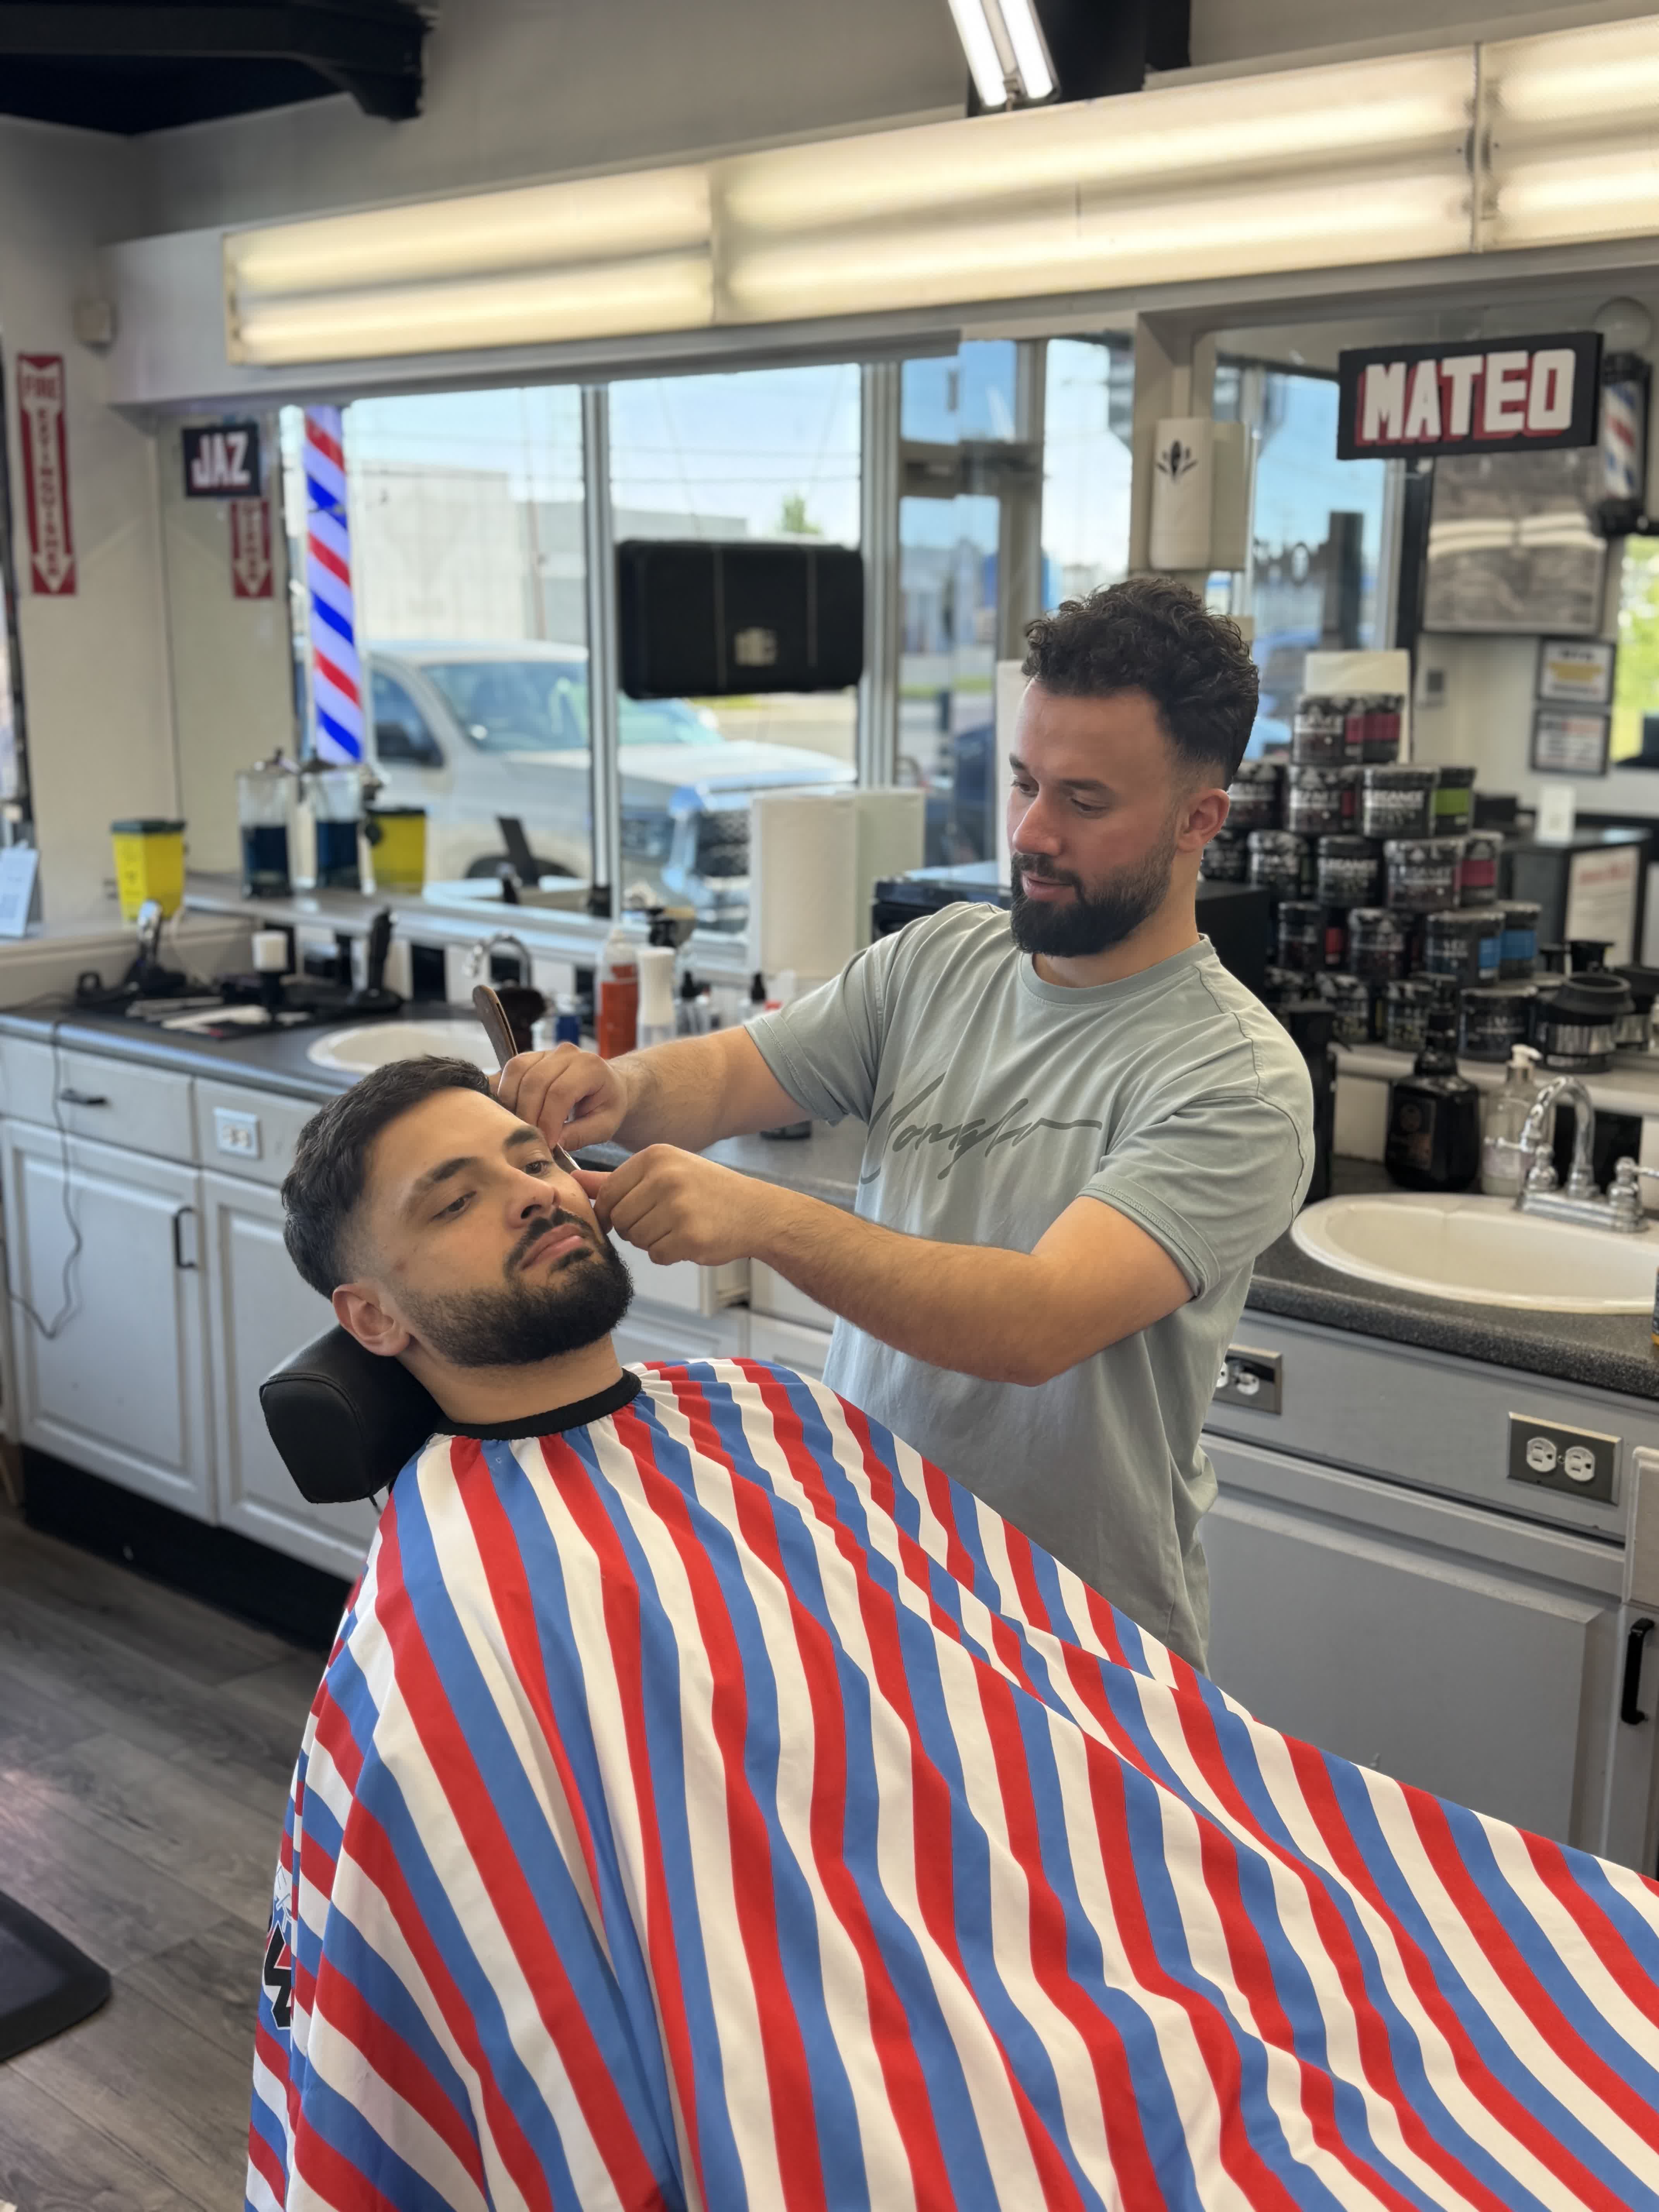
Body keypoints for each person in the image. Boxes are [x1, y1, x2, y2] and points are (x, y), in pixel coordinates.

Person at [248, 1057, 1659, 2212]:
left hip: (1088, 1903)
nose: (535, 1191)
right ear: (369, 1317)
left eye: (533, 1159)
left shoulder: (757, 1407)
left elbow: (1034, 1691)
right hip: (889, 2021)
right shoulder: (464, 1611)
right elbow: (515, 1988)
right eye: (458, 1199)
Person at [498, 576, 1314, 1669]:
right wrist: (620, 1087)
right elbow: (737, 1072)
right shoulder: (940, 961)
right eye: (1023, 782)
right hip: (875, 1577)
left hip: (1076, 1637)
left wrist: (764, 1219)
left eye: (1083, 802)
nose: (1031, 831)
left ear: (1197, 819)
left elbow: (1033, 1326)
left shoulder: (1233, 1078)